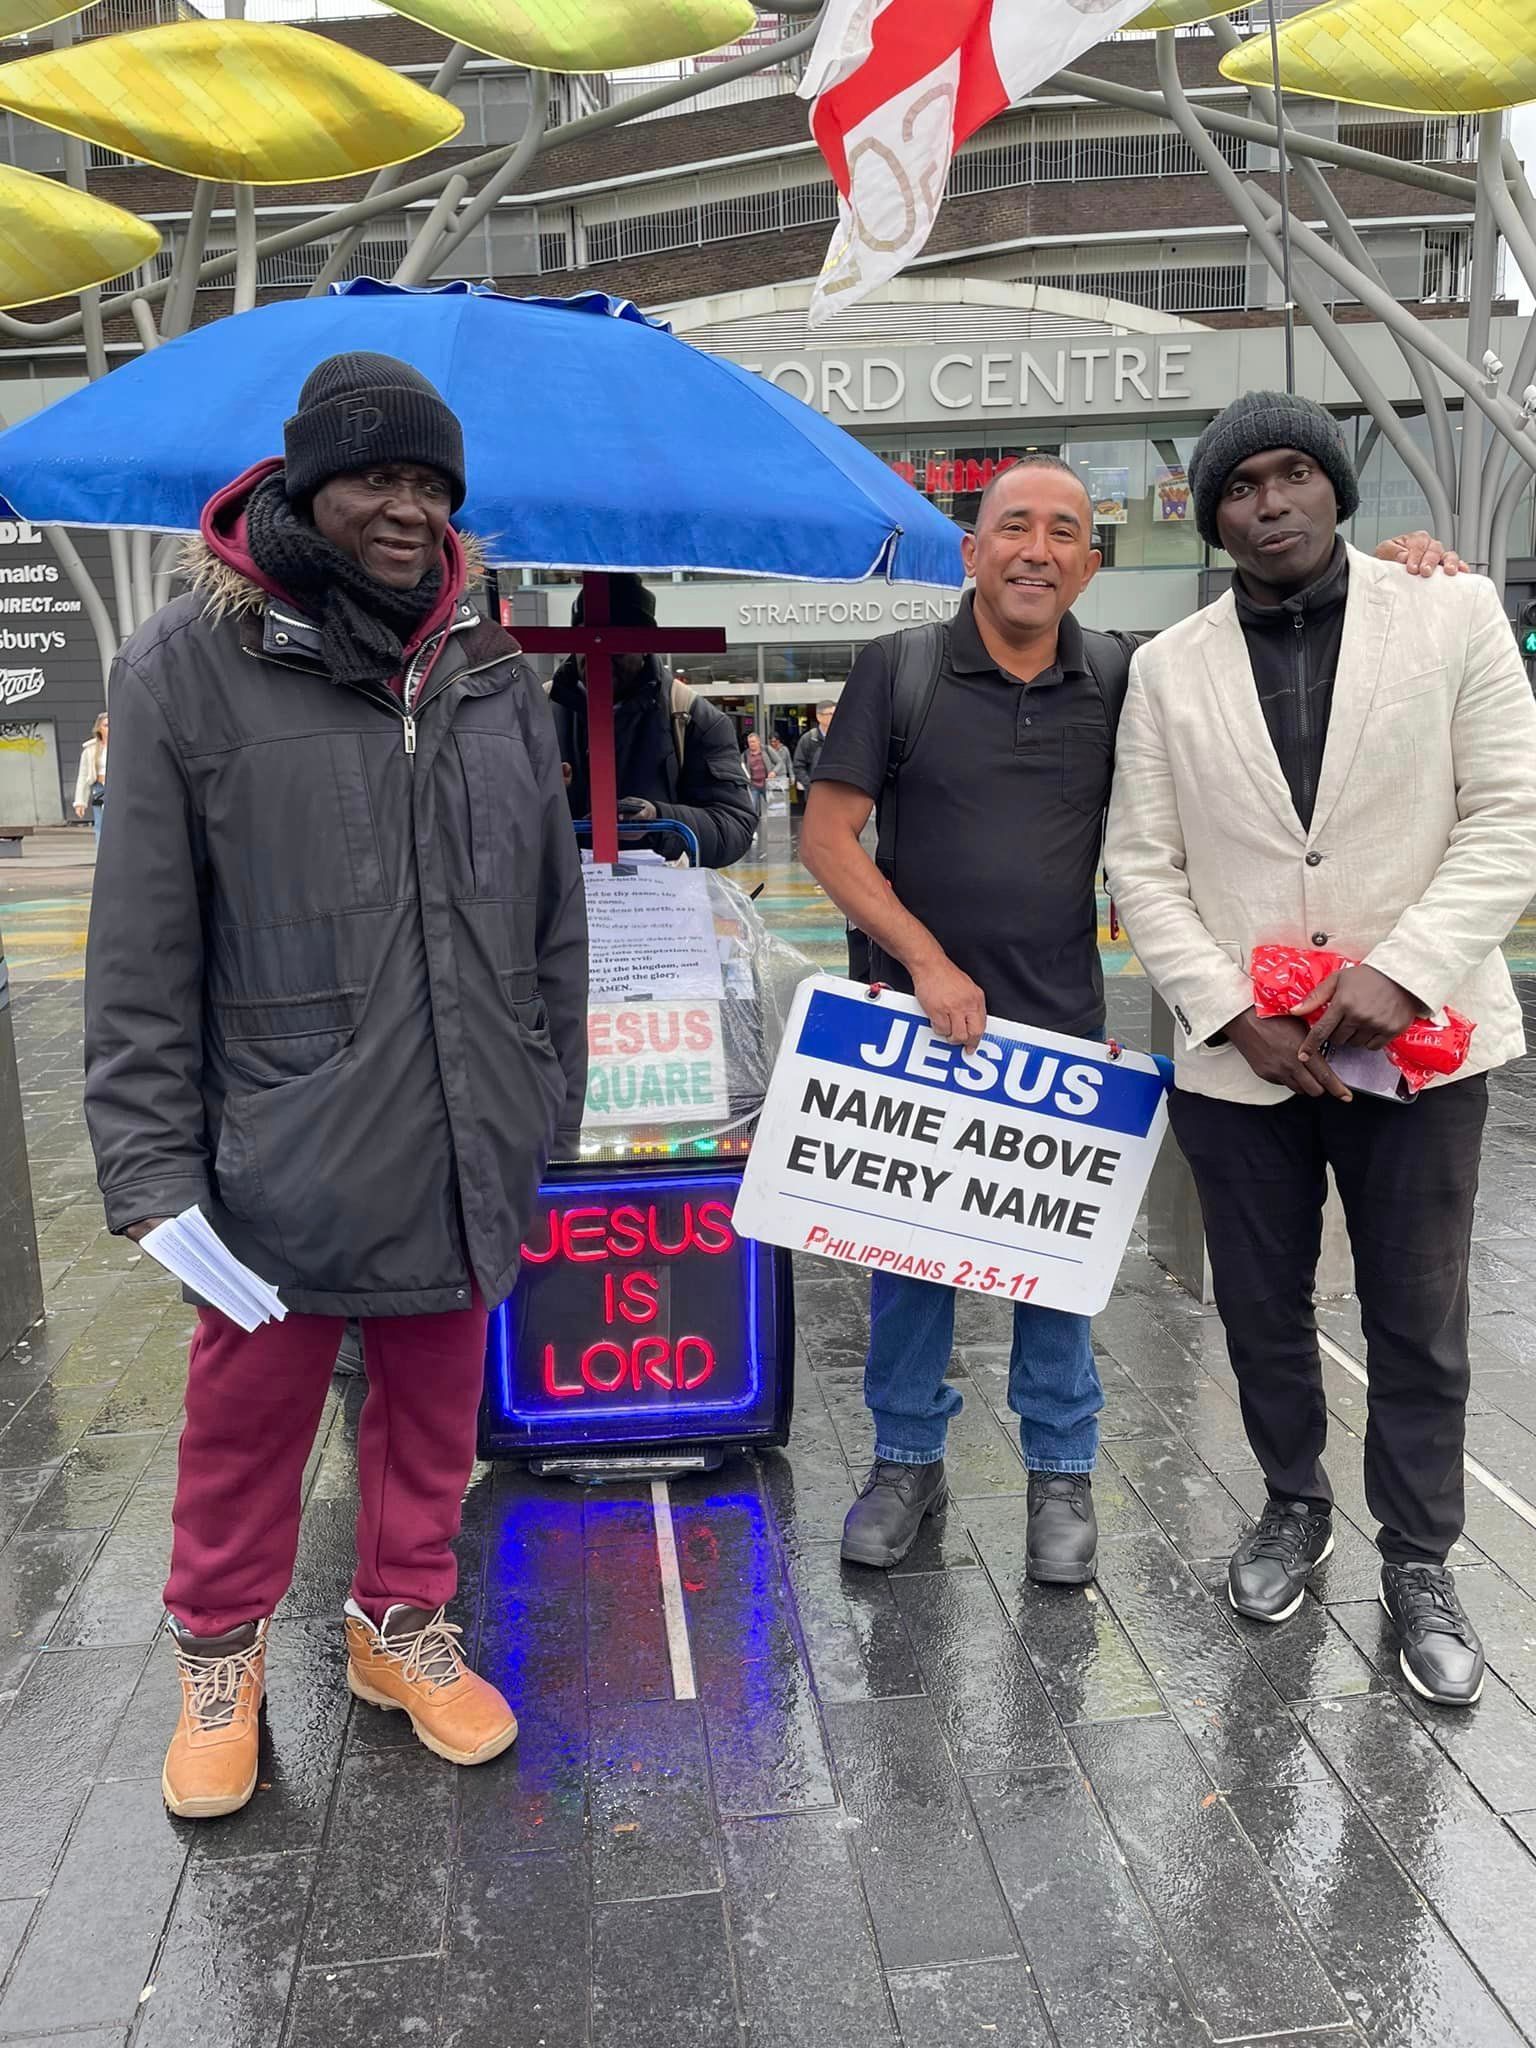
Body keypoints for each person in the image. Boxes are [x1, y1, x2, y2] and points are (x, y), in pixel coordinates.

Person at [802, 450, 1462, 1581]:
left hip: (1058, 1022)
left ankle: (1062, 1470)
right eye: (1015, 526)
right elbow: (826, 838)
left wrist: (1405, 565)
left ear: (1091, 565)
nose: (1037, 550)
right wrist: (929, 964)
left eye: (1064, 531)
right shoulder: (898, 667)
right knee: (910, 1254)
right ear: (972, 550)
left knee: (1052, 1261)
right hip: (913, 1020)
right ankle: (906, 1459)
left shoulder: (1121, 673)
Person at [84, 352, 589, 1818]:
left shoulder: (488, 668)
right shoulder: (184, 666)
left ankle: (398, 1623)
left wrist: (543, 1102)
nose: (408, 510)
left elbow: (549, 913)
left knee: (435, 1412)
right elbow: (140, 949)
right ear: (308, 487)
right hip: (277, 1144)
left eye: (432, 484)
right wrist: (150, 1172)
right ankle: (219, 1655)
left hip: (466, 1128)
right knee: (244, 1427)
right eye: (377, 477)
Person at [1105, 392, 1536, 1705]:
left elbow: (1509, 812)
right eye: (1240, 487)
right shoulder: (1167, 668)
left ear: (1337, 488)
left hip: (1420, 1045)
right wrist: (1225, 1008)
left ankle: (1421, 1557)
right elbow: (1143, 863)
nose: (1271, 502)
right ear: (1213, 516)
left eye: (1294, 473)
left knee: (1419, 1316)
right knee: (1259, 1305)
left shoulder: (1451, 613)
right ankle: (1293, 1501)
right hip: (1246, 1059)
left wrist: (1402, 970)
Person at [548, 573, 755, 868]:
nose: (600, 655)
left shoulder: (691, 716)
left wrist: (659, 820)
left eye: (619, 642)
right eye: (586, 638)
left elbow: (734, 826)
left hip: (659, 893)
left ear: (645, 645)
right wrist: (534, 793)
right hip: (560, 892)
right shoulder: (535, 711)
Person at [73, 710, 107, 840]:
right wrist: (80, 802)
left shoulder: (120, 746)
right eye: (106, 725)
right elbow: (83, 776)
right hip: (100, 789)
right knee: (100, 825)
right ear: (99, 728)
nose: (109, 729)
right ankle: (101, 852)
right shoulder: (90, 750)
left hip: (118, 788)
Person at [793, 701, 836, 801]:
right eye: (830, 714)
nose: (835, 717)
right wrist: (810, 785)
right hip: (815, 795)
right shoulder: (808, 739)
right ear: (819, 717)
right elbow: (798, 766)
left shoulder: (841, 738)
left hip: (837, 793)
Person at [743, 728, 771, 834]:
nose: (751, 744)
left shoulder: (766, 750)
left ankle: (774, 828)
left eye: (753, 742)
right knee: (752, 809)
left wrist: (774, 772)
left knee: (772, 806)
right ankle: (753, 831)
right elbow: (741, 767)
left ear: (758, 741)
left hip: (766, 784)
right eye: (750, 742)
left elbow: (779, 762)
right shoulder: (745, 755)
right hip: (753, 785)